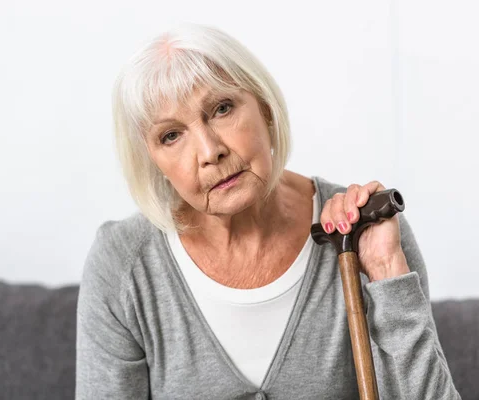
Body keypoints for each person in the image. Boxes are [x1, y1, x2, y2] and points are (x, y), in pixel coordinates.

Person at [75, 23, 460, 399]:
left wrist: (385, 270)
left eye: (222, 108)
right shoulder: (124, 265)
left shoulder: (364, 226)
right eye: (171, 135)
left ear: (265, 108)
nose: (210, 152)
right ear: (153, 161)